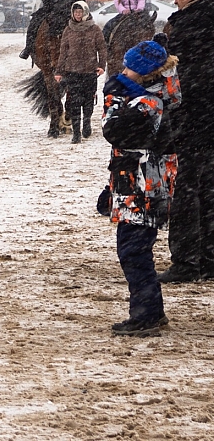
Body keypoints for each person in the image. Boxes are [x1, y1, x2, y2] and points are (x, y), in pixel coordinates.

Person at [101, 41, 179, 336]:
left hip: (142, 185)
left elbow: (114, 133)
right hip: (145, 182)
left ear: (143, 72)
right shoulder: (157, 95)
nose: (123, 71)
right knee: (136, 248)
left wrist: (112, 98)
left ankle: (145, 314)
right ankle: (151, 312)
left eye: (128, 67)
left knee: (134, 251)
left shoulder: (147, 103)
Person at [158, 0, 214, 283]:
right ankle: (209, 258)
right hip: (208, 117)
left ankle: (186, 261)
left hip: (193, 118)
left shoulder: (189, 25)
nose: (175, 1)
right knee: (209, 188)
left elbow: (181, 76)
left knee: (187, 188)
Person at [55, 1, 106, 143]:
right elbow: (63, 51)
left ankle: (87, 122)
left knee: (88, 100)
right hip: (72, 71)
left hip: (90, 71)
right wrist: (59, 71)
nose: (78, 15)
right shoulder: (68, 30)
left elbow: (101, 48)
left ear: (86, 12)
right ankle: (76, 133)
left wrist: (102, 65)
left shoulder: (94, 29)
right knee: (75, 102)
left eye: (80, 12)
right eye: (75, 12)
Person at [103, 0, 154, 78]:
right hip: (124, 13)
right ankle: (107, 44)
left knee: (146, 24)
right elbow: (117, 2)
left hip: (137, 12)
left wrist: (139, 8)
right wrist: (123, 10)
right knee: (109, 25)